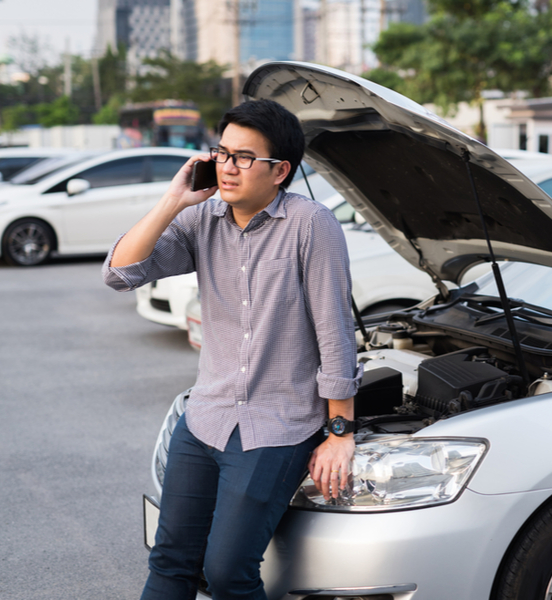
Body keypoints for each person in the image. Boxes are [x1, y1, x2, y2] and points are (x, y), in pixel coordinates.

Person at [102, 99, 362, 600]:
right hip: (205, 419)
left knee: (226, 572)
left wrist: (339, 432)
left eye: (244, 157)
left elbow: (335, 332)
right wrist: (173, 201)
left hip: (276, 427)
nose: (227, 166)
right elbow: (120, 274)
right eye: (222, 153)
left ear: (280, 170)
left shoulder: (311, 224)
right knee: (170, 561)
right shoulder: (202, 219)